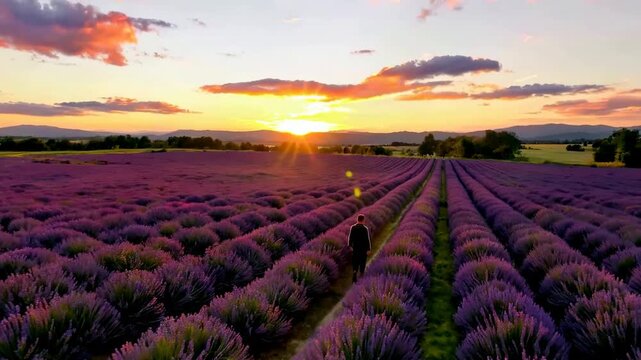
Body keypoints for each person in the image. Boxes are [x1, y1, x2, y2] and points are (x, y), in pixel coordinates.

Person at [348, 214, 371, 283]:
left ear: (357, 219)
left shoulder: (353, 227)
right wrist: (369, 249)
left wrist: (350, 246)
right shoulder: (365, 228)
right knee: (362, 262)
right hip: (363, 249)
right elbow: (367, 239)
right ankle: (361, 275)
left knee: (355, 262)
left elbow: (350, 237)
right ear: (363, 220)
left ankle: (354, 272)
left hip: (355, 248)